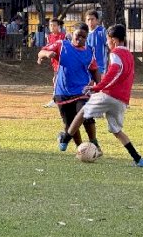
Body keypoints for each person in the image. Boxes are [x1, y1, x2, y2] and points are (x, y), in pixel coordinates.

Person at [59, 24, 143, 167]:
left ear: (114, 40)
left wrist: (97, 87)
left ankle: (65, 139)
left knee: (82, 112)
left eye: (107, 40)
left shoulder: (116, 54)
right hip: (122, 100)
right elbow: (129, 77)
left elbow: (114, 73)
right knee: (117, 131)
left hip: (109, 95)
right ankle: (138, 159)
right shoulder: (130, 56)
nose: (107, 43)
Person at [38, 23, 102, 153]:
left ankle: (94, 143)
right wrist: (47, 53)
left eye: (84, 37)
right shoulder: (61, 45)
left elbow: (95, 70)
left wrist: (98, 88)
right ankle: (81, 149)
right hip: (62, 92)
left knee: (86, 113)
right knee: (70, 123)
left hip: (81, 91)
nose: (80, 39)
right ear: (72, 34)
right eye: (78, 35)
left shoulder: (89, 51)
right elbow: (41, 52)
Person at [43, 18, 66, 108]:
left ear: (59, 26)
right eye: (51, 25)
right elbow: (48, 48)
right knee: (57, 80)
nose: (52, 27)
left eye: (54, 25)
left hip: (63, 62)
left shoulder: (63, 36)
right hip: (55, 62)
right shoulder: (49, 37)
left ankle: (55, 100)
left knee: (56, 80)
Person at [85, 10, 107, 77]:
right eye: (88, 19)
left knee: (99, 86)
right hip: (88, 65)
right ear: (86, 21)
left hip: (100, 66)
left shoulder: (102, 31)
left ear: (97, 20)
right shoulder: (85, 33)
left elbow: (108, 46)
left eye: (92, 19)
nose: (90, 21)